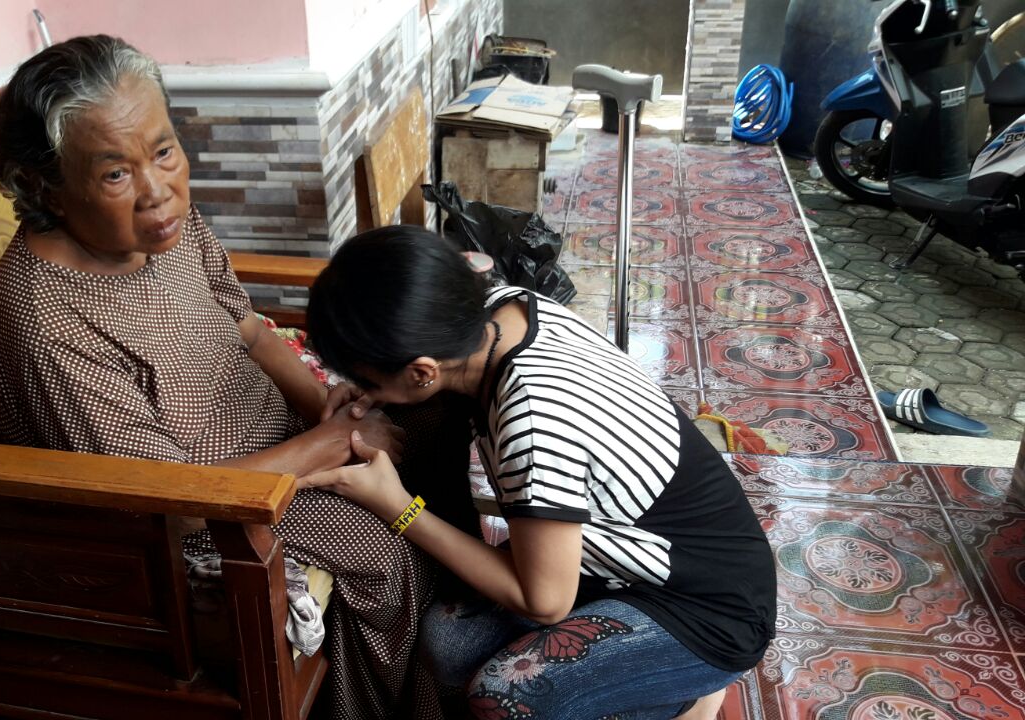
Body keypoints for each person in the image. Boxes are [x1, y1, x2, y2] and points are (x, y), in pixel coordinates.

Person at [0, 35, 463, 719]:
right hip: (211, 512)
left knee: (440, 420)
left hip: (281, 445)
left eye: (164, 152)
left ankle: (469, 645)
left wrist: (329, 409)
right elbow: (170, 506)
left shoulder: (164, 227)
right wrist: (328, 449)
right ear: (43, 187)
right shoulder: (46, 323)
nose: (158, 191)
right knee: (384, 553)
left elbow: (252, 330)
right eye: (115, 175)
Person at [302, 226, 777, 720]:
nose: (362, 390)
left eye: (367, 378)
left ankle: (685, 701)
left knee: (504, 696)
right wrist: (380, 386)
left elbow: (545, 601)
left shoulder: (532, 419)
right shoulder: (506, 309)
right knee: (448, 643)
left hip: (707, 611)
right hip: (619, 559)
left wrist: (399, 508)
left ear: (423, 371)